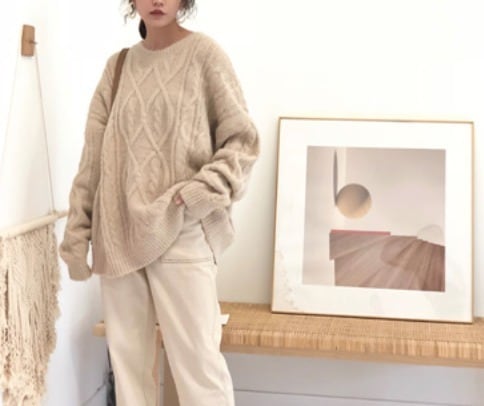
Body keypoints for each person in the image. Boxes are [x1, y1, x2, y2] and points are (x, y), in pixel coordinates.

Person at [59, 0, 260, 404]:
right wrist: (77, 236)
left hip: (181, 231)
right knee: (130, 379)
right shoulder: (117, 68)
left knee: (200, 372)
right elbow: (92, 161)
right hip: (118, 236)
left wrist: (197, 193)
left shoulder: (204, 55)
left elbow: (242, 141)